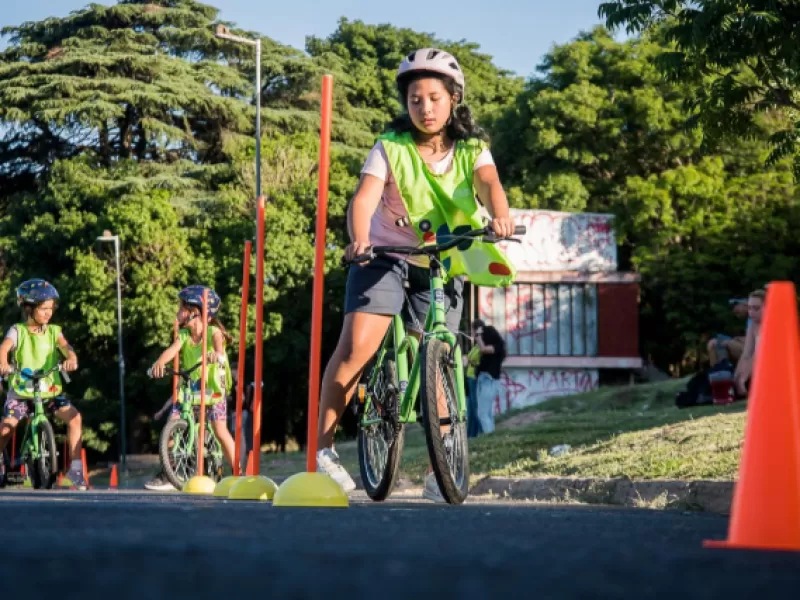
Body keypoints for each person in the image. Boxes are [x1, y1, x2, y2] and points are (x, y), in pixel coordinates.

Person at [315, 48, 517, 501]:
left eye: (434, 98)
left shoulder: (471, 149)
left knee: (439, 356)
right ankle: (324, 452)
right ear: (406, 104)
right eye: (415, 100)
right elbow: (365, 198)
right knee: (357, 350)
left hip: (442, 259)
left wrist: (499, 216)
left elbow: (490, 184)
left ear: (453, 99)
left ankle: (438, 465)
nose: (425, 108)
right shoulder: (390, 145)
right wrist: (359, 237)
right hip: (383, 255)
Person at [145, 285, 236, 489]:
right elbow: (171, 350)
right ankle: (169, 472)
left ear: (198, 313)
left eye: (183, 307)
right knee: (173, 424)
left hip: (213, 389)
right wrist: (160, 364)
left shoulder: (213, 333)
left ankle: (240, 471)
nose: (179, 311)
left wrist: (217, 355)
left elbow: (219, 346)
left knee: (219, 429)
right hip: (193, 388)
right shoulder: (184, 336)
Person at [0, 279, 86, 489]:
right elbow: (4, 347)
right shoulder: (17, 330)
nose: (49, 313)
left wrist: (71, 359)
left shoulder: (54, 331)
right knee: (7, 427)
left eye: (51, 308)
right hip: (22, 391)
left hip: (48, 391)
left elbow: (67, 348)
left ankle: (75, 470)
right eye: (43, 309)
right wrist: (3, 363)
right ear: (28, 308)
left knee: (75, 418)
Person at [475, 325, 507, 434]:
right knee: (486, 412)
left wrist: (478, 336)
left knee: (482, 413)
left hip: (490, 380)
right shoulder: (495, 346)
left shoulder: (497, 346)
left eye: (483, 336)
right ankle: (491, 434)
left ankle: (488, 435)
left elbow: (483, 349)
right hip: (483, 379)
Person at [734, 289, 765, 397]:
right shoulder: (752, 325)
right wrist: (736, 378)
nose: (751, 312)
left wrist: (743, 378)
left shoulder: (772, 325)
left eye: (756, 308)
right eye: (749, 308)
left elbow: (759, 354)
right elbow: (747, 354)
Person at [465, 319, 485, 438]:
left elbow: (482, 361)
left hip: (475, 378)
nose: (471, 332)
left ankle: (482, 431)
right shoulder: (476, 345)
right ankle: (471, 435)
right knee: (471, 408)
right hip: (470, 378)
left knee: (475, 407)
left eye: (472, 329)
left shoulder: (482, 344)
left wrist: (471, 362)